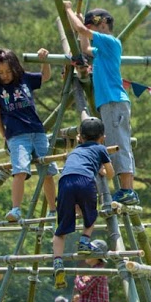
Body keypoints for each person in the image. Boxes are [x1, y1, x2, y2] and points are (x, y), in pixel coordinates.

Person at [64, 1, 139, 206]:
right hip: (108, 102)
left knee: (119, 143)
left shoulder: (110, 41)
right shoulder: (102, 49)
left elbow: (82, 31)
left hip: (114, 101)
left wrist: (68, 11)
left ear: (103, 25)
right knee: (114, 141)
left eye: (92, 28)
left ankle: (127, 190)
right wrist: (80, 22)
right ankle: (125, 189)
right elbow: (85, 48)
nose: (90, 32)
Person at [0, 47, 58, 222]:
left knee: (47, 171)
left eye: (8, 71)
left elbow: (45, 76)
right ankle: (16, 209)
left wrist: (45, 60)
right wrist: (4, 134)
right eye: (0, 72)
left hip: (37, 131)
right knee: (19, 170)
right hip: (16, 135)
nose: (5, 75)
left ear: (15, 67)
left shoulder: (24, 78)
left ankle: (53, 209)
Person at [51, 116, 113, 289]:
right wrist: (102, 170)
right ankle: (84, 242)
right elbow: (110, 173)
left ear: (80, 137)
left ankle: (57, 262)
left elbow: (79, 166)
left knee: (60, 230)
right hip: (85, 180)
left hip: (64, 181)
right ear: (102, 137)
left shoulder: (75, 152)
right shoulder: (100, 148)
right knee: (91, 215)